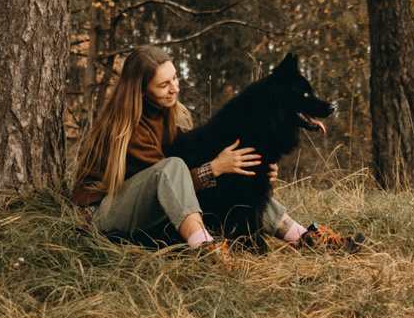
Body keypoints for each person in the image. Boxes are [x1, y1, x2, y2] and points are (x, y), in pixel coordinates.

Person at [70, 45, 326, 250]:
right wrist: (214, 169)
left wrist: (256, 171)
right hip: (101, 214)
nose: (175, 89)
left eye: (175, 78)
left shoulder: (173, 114)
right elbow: (168, 184)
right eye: (163, 85)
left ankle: (303, 236)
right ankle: (204, 246)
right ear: (140, 92)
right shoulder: (127, 128)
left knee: (240, 175)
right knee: (174, 167)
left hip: (140, 206)